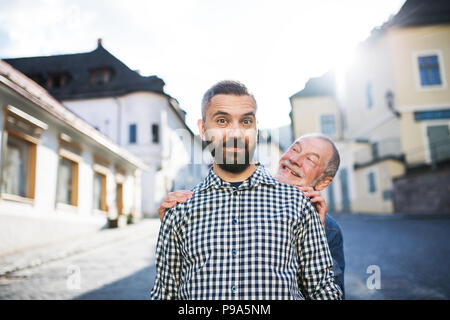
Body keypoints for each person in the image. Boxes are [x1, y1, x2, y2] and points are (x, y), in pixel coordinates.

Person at [150, 80, 342, 300]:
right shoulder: (178, 212)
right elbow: (164, 294)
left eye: (246, 121)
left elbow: (324, 291)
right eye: (222, 121)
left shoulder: (298, 206)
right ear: (203, 129)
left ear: (256, 129)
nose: (235, 133)